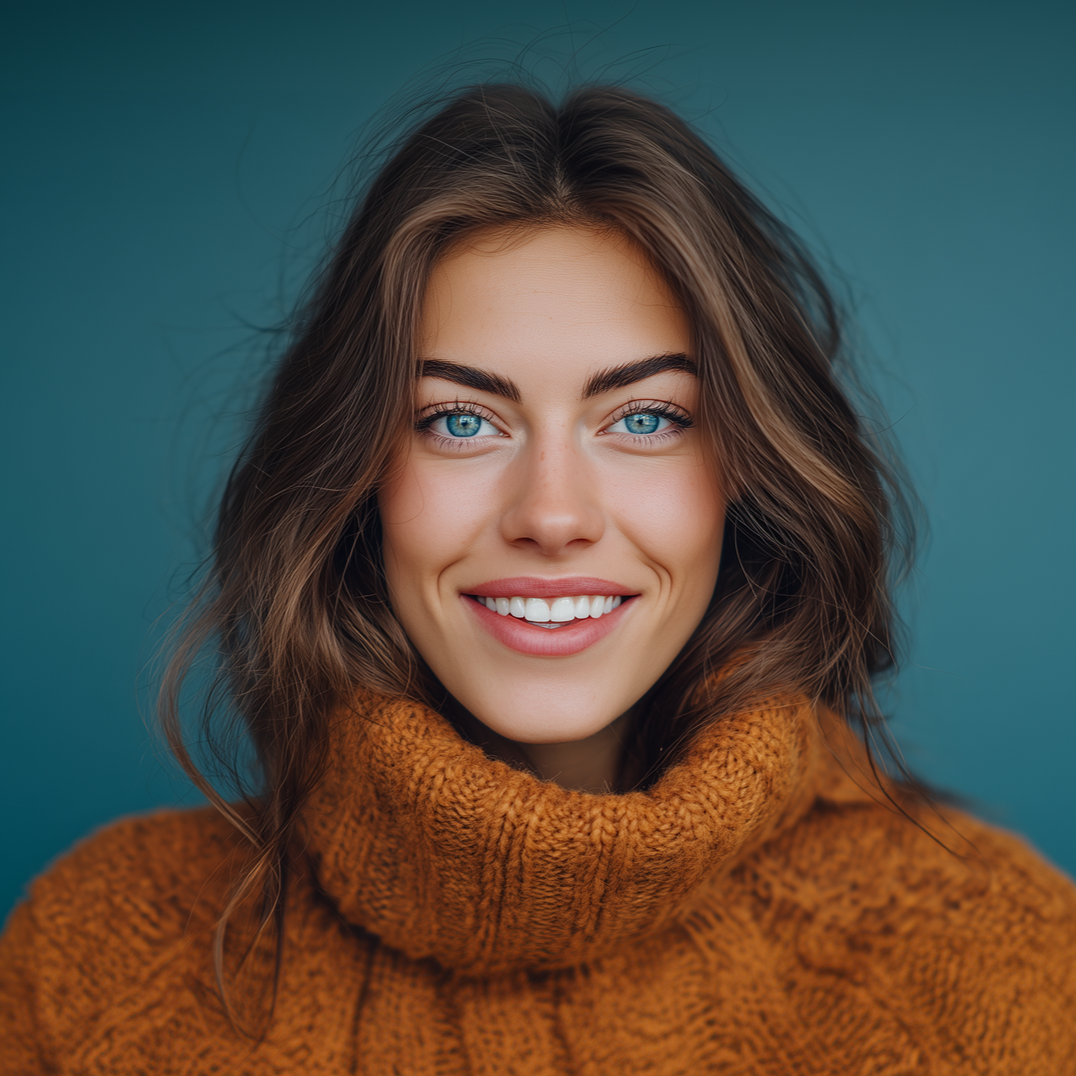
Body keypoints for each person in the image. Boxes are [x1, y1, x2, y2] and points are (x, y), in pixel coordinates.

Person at [2, 82, 1074, 1074]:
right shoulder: (96, 958)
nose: (551, 515)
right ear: (354, 468)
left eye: (644, 418)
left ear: (747, 466)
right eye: (458, 420)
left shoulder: (997, 959)